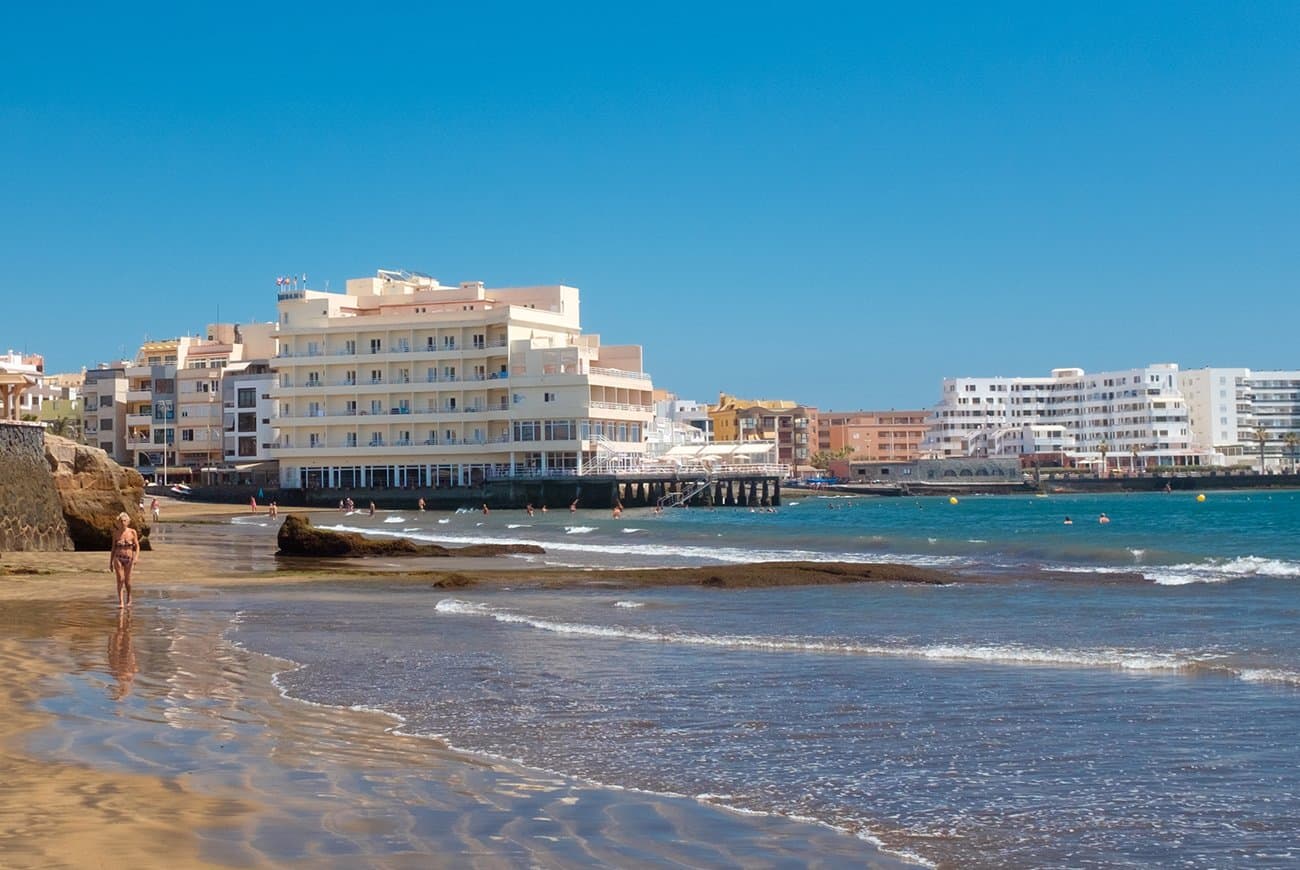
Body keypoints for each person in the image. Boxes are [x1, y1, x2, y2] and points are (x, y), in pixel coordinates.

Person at [109, 512, 140, 609]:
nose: (122, 522)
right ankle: (121, 601)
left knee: (128, 581)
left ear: (128, 522)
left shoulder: (132, 532)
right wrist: (110, 562)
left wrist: (136, 557)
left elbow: (137, 546)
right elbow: (113, 548)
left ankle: (129, 597)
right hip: (118, 557)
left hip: (129, 558)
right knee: (120, 579)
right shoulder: (116, 533)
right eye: (121, 521)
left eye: (124, 521)